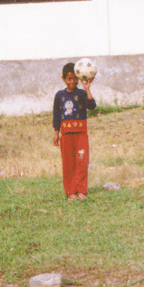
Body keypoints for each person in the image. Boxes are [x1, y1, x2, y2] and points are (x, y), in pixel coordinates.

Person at [52, 63, 97, 201]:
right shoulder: (59, 95)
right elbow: (56, 115)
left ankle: (81, 190)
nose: (72, 81)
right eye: (69, 79)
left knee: (82, 162)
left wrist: (88, 90)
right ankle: (71, 191)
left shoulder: (82, 94)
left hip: (81, 134)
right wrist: (56, 134)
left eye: (74, 79)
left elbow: (92, 106)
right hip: (66, 135)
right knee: (68, 163)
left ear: (78, 78)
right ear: (63, 79)